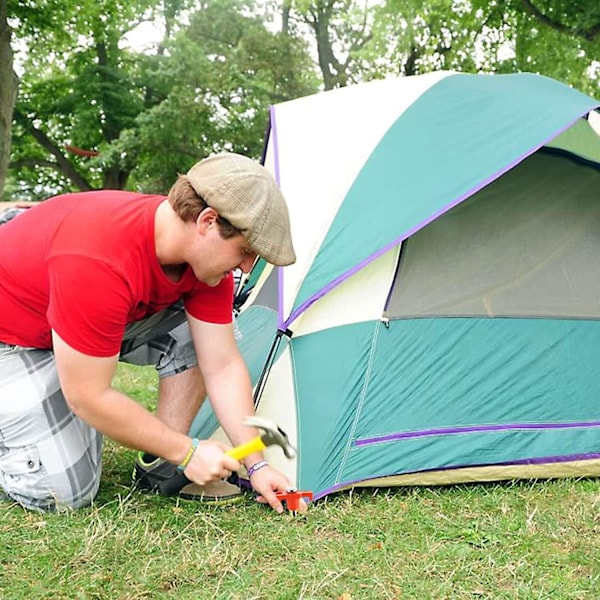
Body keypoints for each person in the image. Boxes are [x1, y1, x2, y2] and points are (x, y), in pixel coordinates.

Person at [0, 152, 296, 513]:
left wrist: (258, 464)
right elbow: (88, 395)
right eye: (245, 251)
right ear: (207, 221)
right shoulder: (98, 255)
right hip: (13, 338)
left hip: (67, 326)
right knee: (59, 494)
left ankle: (161, 463)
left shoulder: (203, 264)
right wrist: (188, 450)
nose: (248, 266)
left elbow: (221, 364)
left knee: (198, 335)